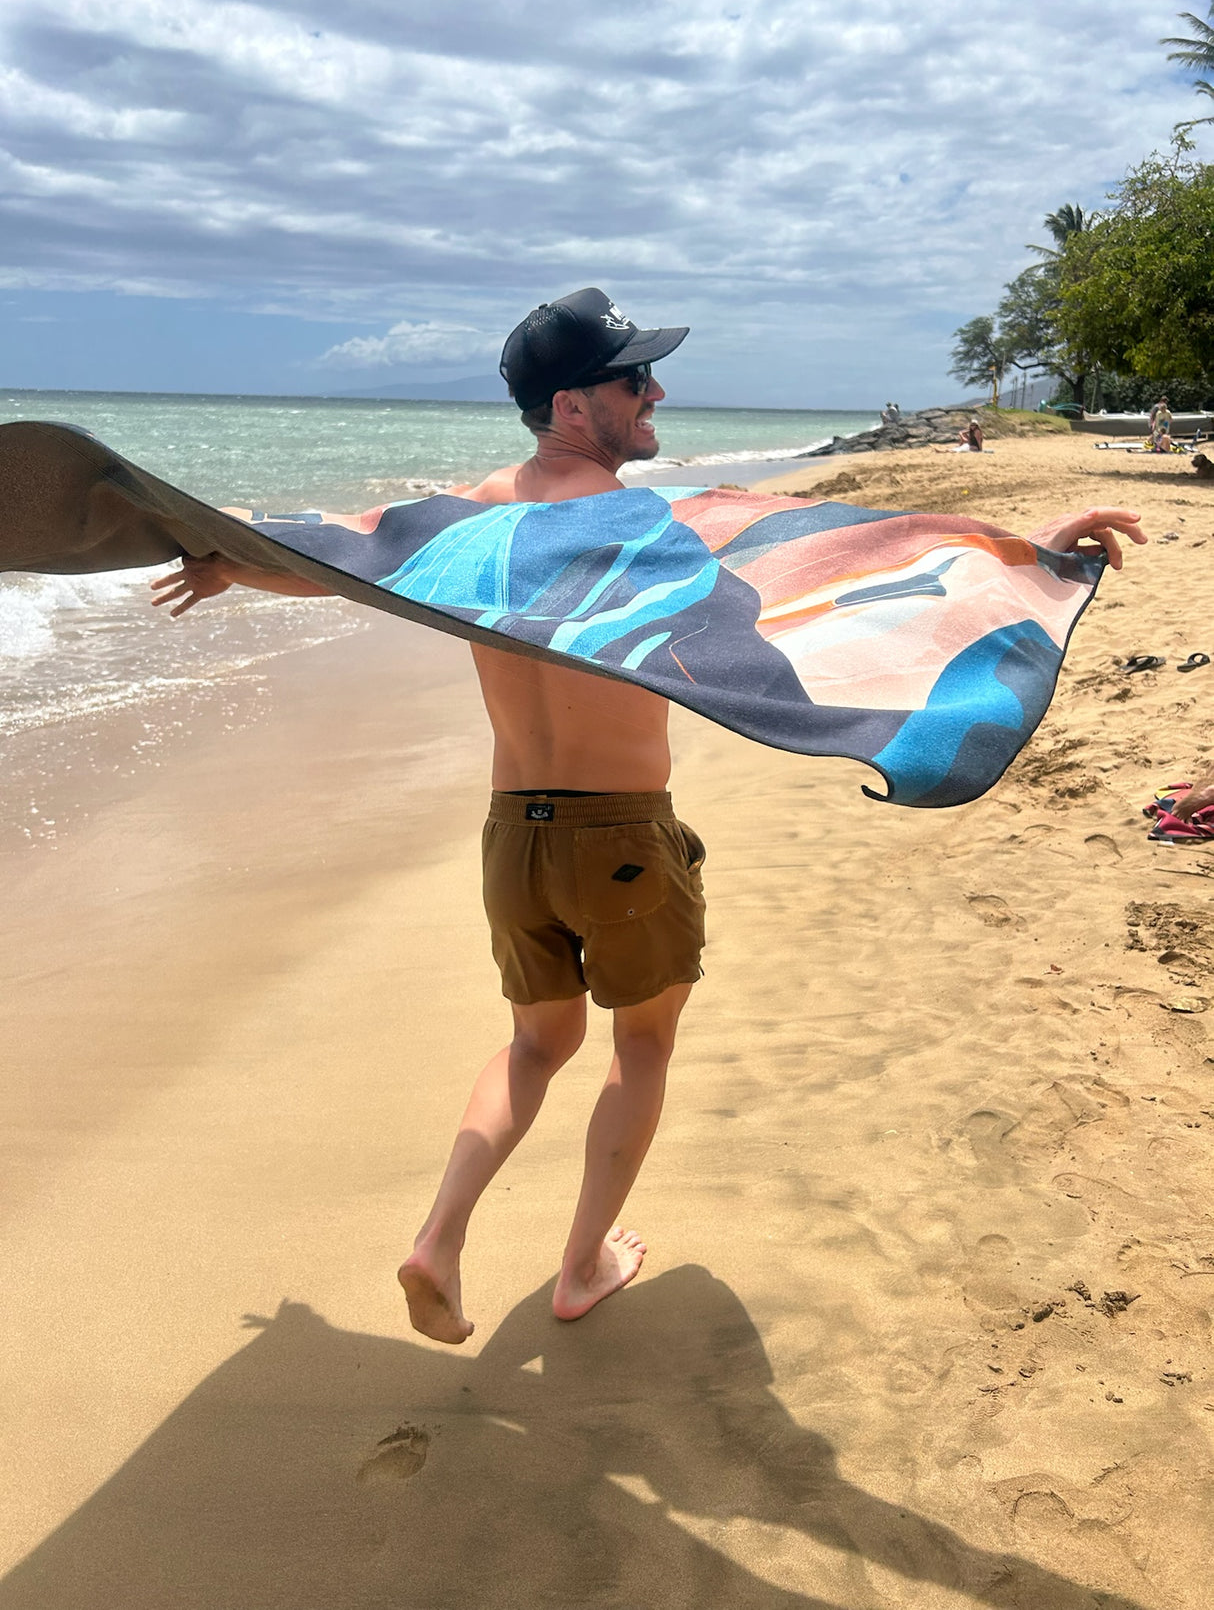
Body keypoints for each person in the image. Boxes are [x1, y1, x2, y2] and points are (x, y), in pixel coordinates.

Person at [149, 288, 1147, 1345]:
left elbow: (347, 560)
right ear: (575, 406)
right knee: (642, 1044)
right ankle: (579, 1265)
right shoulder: (648, 519)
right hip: (619, 834)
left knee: (535, 1044)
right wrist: (1023, 553)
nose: (656, 390)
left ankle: (437, 1237)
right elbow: (837, 555)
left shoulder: (464, 519)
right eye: (635, 379)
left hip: (510, 834)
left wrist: (233, 564)